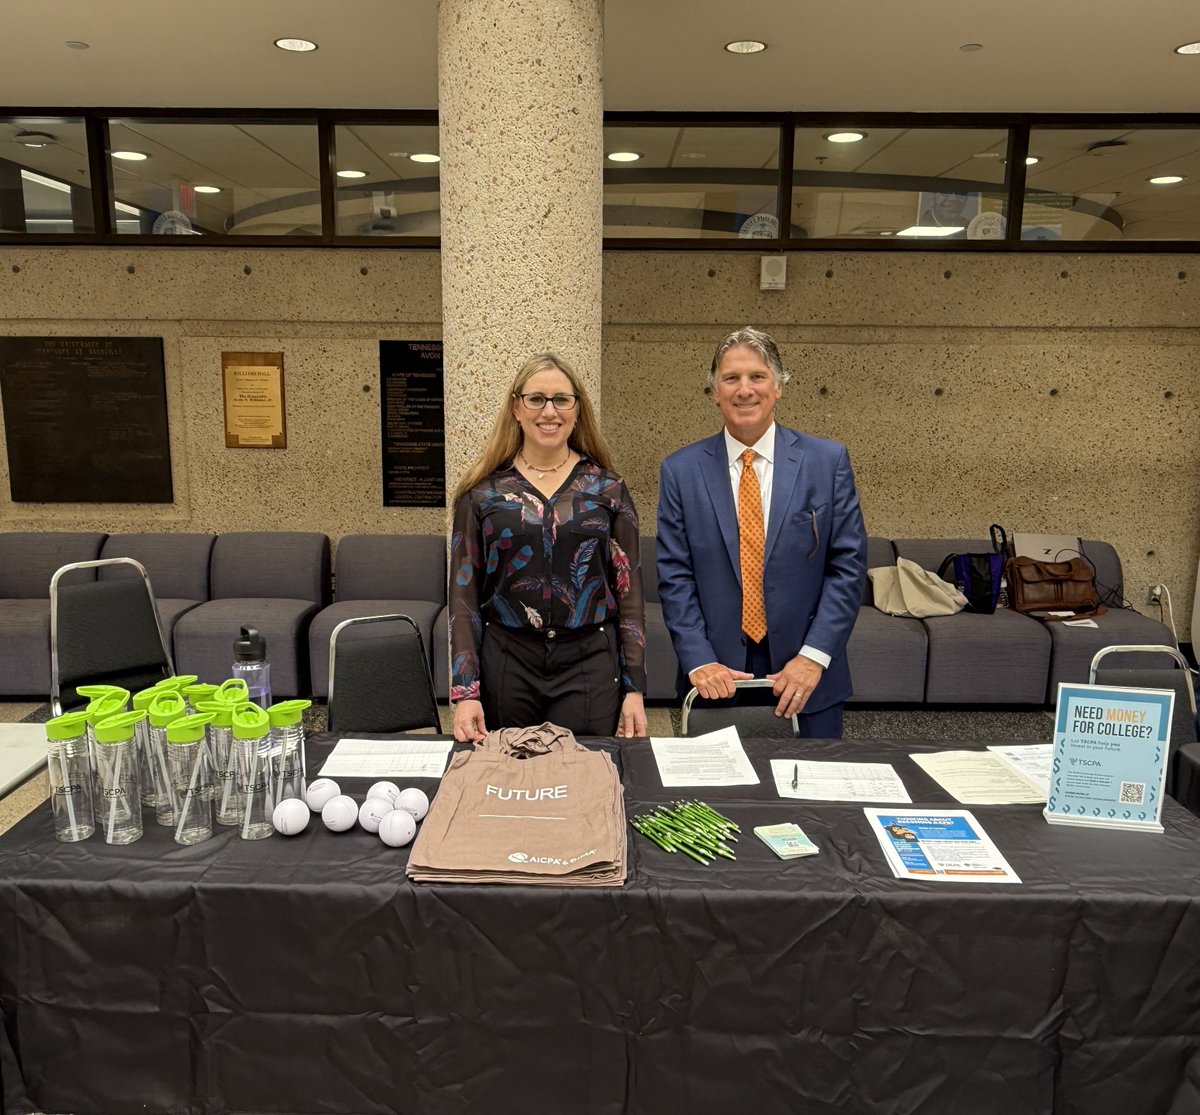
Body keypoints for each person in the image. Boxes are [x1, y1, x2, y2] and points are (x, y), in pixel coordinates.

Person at [656, 327, 866, 738]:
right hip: (715, 680)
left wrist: (813, 657)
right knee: (719, 800)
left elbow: (847, 568)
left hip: (805, 680)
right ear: (714, 391)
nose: (744, 390)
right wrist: (699, 660)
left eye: (757, 376)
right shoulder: (680, 471)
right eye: (731, 378)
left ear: (779, 386)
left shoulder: (827, 461)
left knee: (812, 797)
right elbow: (674, 577)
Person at [449, 352, 647, 742]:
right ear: (516, 408)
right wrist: (465, 691)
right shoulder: (483, 493)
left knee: (585, 782)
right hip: (508, 661)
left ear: (577, 409)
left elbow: (629, 594)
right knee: (508, 782)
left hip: (588, 662)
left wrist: (634, 686)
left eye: (562, 399)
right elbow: (464, 596)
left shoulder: (607, 489)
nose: (549, 411)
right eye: (536, 399)